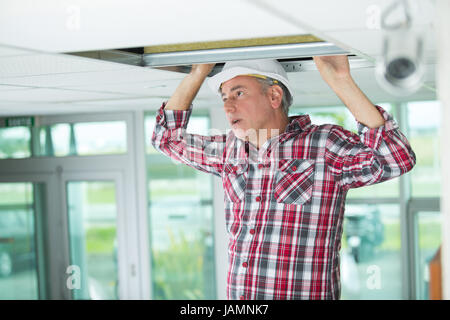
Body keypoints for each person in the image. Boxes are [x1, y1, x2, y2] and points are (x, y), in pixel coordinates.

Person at [151, 55, 416, 300]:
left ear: (275, 96)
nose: (228, 106)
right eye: (224, 97)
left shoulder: (323, 146)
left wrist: (341, 82)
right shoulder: (228, 150)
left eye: (238, 93)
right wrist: (197, 73)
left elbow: (396, 159)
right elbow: (165, 138)